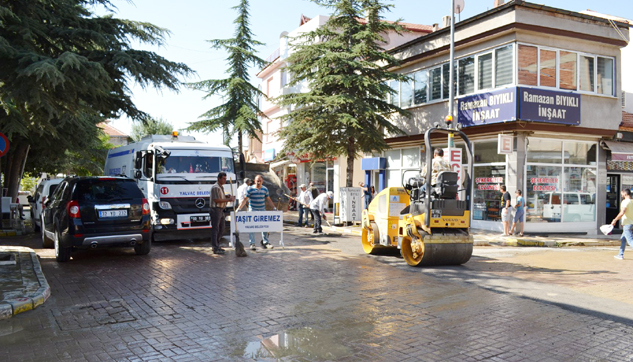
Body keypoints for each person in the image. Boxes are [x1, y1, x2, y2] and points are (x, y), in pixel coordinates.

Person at [237, 175, 276, 250]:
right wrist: (239, 208)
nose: (259, 181)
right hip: (253, 210)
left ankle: (265, 242)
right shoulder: (250, 189)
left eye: (260, 180)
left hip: (262, 210)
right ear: (254, 181)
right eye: (257, 180)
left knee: (264, 226)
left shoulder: (265, 189)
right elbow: (245, 199)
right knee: (252, 227)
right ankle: (252, 243)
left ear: (262, 181)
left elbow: (269, 199)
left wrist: (274, 208)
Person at [209, 172, 235, 255]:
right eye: (223, 178)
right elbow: (216, 199)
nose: (225, 180)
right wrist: (228, 200)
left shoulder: (221, 187)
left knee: (222, 228)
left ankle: (216, 244)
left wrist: (226, 197)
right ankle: (215, 247)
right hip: (216, 209)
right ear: (219, 179)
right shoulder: (215, 187)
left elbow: (221, 198)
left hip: (221, 209)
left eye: (225, 178)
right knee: (216, 229)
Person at [611, 188, 633, 260]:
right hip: (630, 223)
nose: (621, 195)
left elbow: (623, 212)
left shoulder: (625, 202)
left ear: (625, 194)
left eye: (622, 193)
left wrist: (615, 220)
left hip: (627, 224)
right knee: (623, 239)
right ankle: (620, 254)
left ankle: (620, 255)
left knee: (630, 241)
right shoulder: (632, 201)